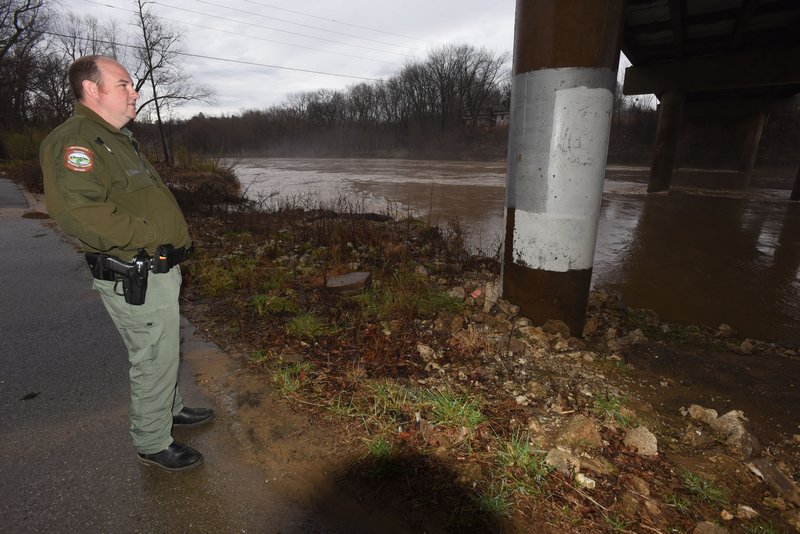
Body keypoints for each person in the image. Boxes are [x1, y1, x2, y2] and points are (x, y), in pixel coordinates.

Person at [39, 55, 214, 472]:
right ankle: (152, 440)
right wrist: (152, 237)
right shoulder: (76, 140)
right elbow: (78, 212)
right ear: (92, 89)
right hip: (136, 270)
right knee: (152, 354)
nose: (134, 92)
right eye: (123, 84)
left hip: (154, 267)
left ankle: (167, 409)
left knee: (163, 347)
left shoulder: (116, 137)